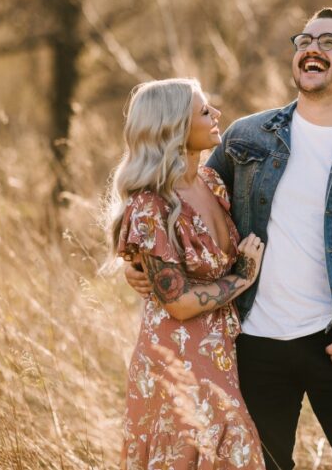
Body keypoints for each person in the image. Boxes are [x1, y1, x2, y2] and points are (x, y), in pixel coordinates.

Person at [126, 8, 332, 469]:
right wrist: (139, 263)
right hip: (252, 345)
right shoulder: (245, 138)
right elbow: (182, 206)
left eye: (331, 42)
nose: (312, 47)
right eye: (305, 39)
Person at [106, 77, 268, 470]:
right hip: (175, 360)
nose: (217, 116)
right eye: (205, 111)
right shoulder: (150, 206)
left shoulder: (212, 183)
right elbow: (177, 304)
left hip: (222, 354)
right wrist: (242, 277)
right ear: (175, 128)